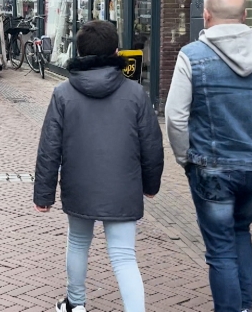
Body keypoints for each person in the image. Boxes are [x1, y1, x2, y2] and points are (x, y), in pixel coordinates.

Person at [165, 0, 252, 312]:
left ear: (206, 17)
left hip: (211, 170)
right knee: (241, 233)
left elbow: (175, 116)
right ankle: (244, 308)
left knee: (220, 249)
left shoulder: (192, 55)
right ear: (245, 16)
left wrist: (185, 158)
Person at [34, 20, 163, 312]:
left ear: (79, 51)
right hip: (123, 188)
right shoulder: (135, 94)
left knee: (78, 243)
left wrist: (43, 195)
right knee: (124, 256)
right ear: (116, 51)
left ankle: (75, 304)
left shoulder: (63, 93)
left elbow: (49, 147)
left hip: (80, 185)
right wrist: (151, 185)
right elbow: (152, 145)